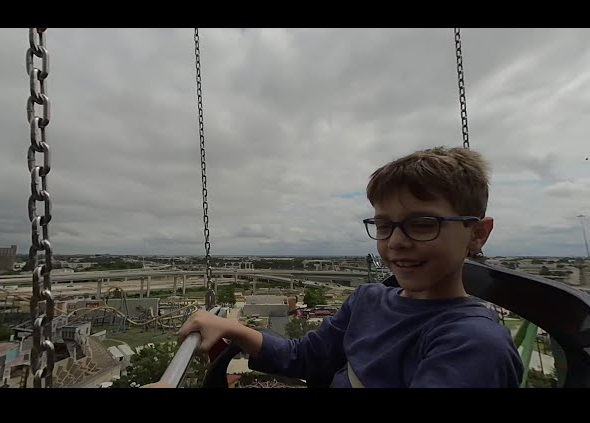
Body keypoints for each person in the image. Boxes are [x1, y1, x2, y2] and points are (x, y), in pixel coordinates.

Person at [176, 146, 524, 388]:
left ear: (477, 234)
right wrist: (232, 329)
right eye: (384, 225)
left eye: (422, 224)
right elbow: (305, 357)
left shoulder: (472, 345)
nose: (397, 242)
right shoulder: (368, 300)